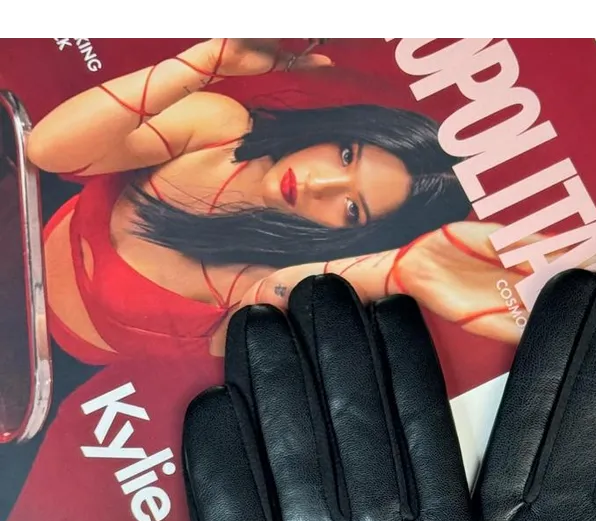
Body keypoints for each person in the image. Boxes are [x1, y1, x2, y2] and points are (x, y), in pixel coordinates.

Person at [26, 36, 535, 363]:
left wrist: (404, 272)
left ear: (355, 237)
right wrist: (202, 63)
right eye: (346, 154)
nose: (320, 184)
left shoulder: (265, 279)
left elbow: (280, 290)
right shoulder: (221, 131)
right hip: (20, 233)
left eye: (351, 209)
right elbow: (48, 151)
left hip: (38, 364)